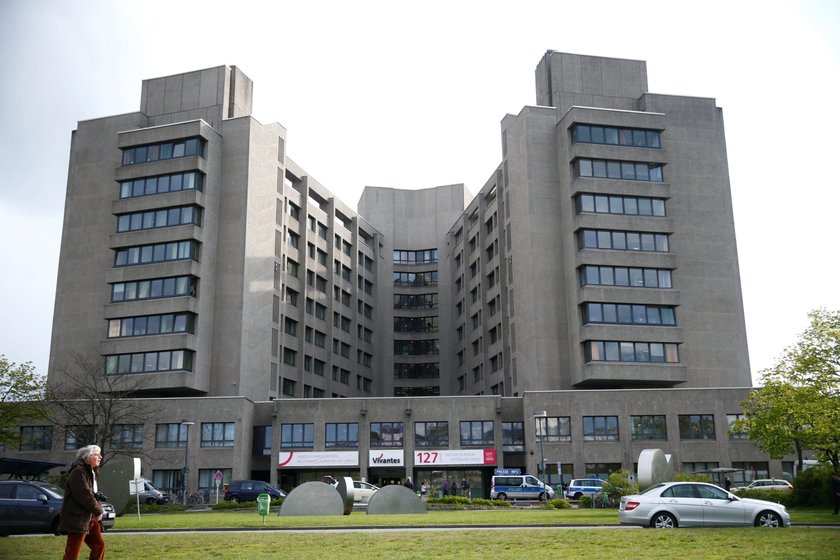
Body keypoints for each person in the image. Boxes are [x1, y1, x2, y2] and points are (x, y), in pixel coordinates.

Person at [59, 444, 106, 560]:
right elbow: (84, 495)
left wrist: (97, 510)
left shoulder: (92, 471)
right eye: (96, 454)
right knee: (72, 553)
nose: (100, 457)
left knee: (99, 546)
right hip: (77, 518)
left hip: (90, 518)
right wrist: (98, 510)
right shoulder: (78, 471)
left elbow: (95, 494)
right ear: (87, 457)